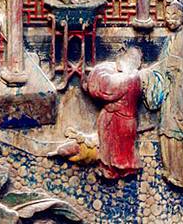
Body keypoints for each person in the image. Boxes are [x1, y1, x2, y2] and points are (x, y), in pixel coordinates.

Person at [142, 0, 183, 188]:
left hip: (181, 95)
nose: (170, 19)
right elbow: (162, 64)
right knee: (167, 132)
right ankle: (170, 171)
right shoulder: (170, 39)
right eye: (168, 15)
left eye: (175, 15)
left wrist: (176, 70)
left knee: (180, 135)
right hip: (169, 94)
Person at [53, 46, 143, 179]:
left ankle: (114, 171)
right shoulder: (133, 77)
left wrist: (93, 80)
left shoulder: (128, 78)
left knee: (116, 148)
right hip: (122, 120)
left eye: (120, 61)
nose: (117, 65)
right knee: (116, 147)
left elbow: (105, 88)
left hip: (119, 120)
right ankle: (115, 170)